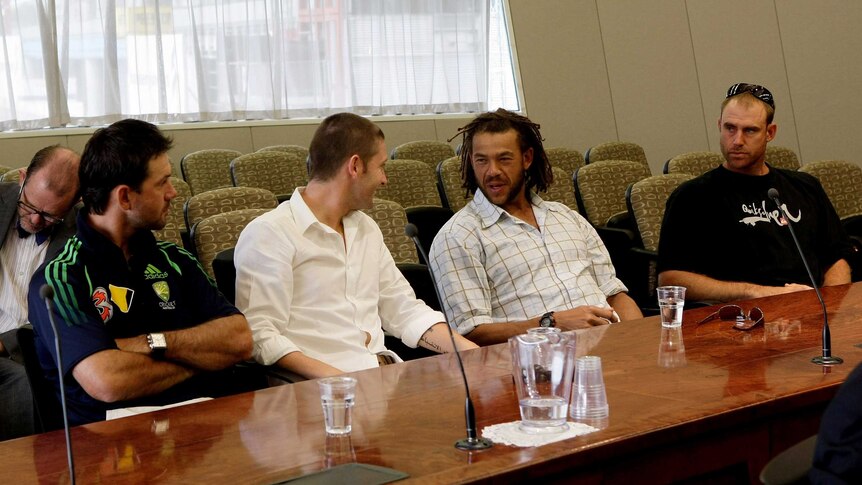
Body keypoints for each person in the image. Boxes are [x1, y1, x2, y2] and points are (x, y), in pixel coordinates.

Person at [28, 119, 254, 426]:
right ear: (124, 197)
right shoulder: (60, 279)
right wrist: (202, 360)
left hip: (201, 424)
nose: (173, 193)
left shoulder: (174, 259)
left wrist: (150, 343)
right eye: (162, 183)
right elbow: (108, 381)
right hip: (112, 446)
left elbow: (239, 340)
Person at [234, 112, 477, 380]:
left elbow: (403, 310)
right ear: (355, 166)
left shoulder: (365, 228)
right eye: (381, 167)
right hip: (322, 393)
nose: (385, 179)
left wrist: (471, 353)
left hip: (384, 379)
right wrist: (342, 383)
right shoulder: (271, 233)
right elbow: (260, 334)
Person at [429, 109, 642, 346]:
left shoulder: (566, 217)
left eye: (504, 159)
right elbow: (469, 333)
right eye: (482, 160)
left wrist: (640, 339)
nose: (492, 172)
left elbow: (614, 295)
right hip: (539, 364)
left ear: (527, 158)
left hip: (614, 347)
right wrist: (551, 323)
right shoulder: (457, 236)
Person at [657, 83, 852, 302]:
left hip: (814, 312)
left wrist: (831, 303)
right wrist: (756, 292)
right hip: (741, 318)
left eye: (750, 130)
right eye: (730, 128)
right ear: (719, 125)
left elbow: (837, 257)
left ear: (770, 132)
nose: (737, 140)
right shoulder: (692, 196)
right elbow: (670, 279)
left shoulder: (805, 186)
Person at [0, 146, 79, 440]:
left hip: (37, 348)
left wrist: (5, 344)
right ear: (22, 178)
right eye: (30, 207)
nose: (34, 222)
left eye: (49, 217)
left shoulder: (81, 232)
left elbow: (67, 311)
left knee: (25, 384)